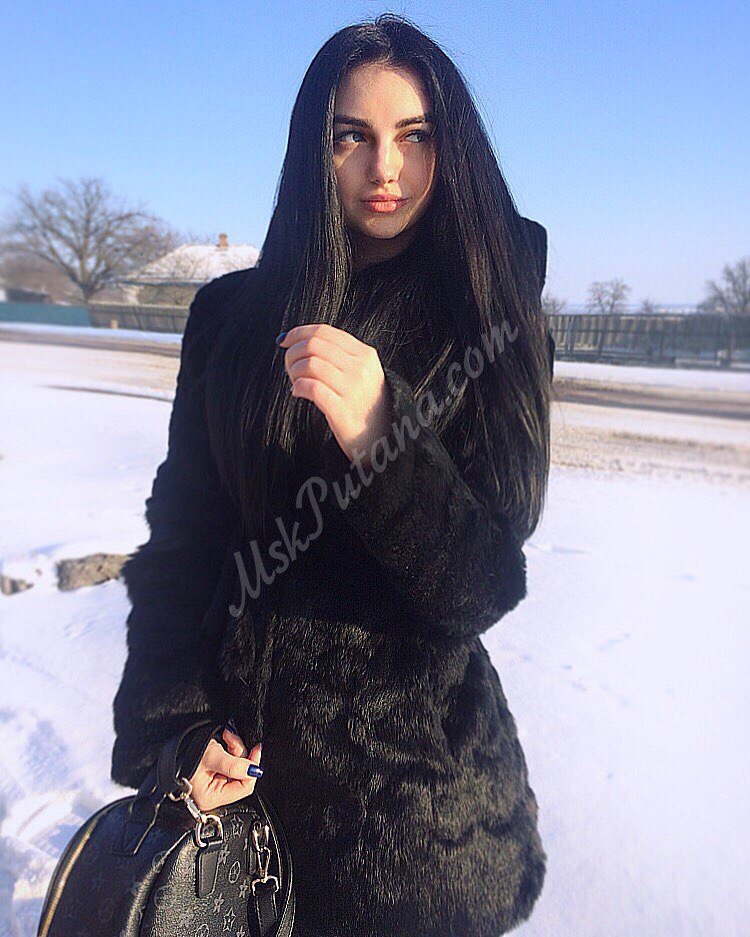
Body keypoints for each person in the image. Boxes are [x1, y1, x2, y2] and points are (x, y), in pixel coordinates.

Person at [111, 13, 554, 937]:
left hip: (410, 831)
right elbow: (183, 541)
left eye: (414, 135)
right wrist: (176, 729)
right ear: (314, 152)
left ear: (452, 147)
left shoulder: (489, 312)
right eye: (352, 136)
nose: (385, 167)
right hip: (236, 813)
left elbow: (482, 582)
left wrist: (382, 435)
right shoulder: (231, 318)